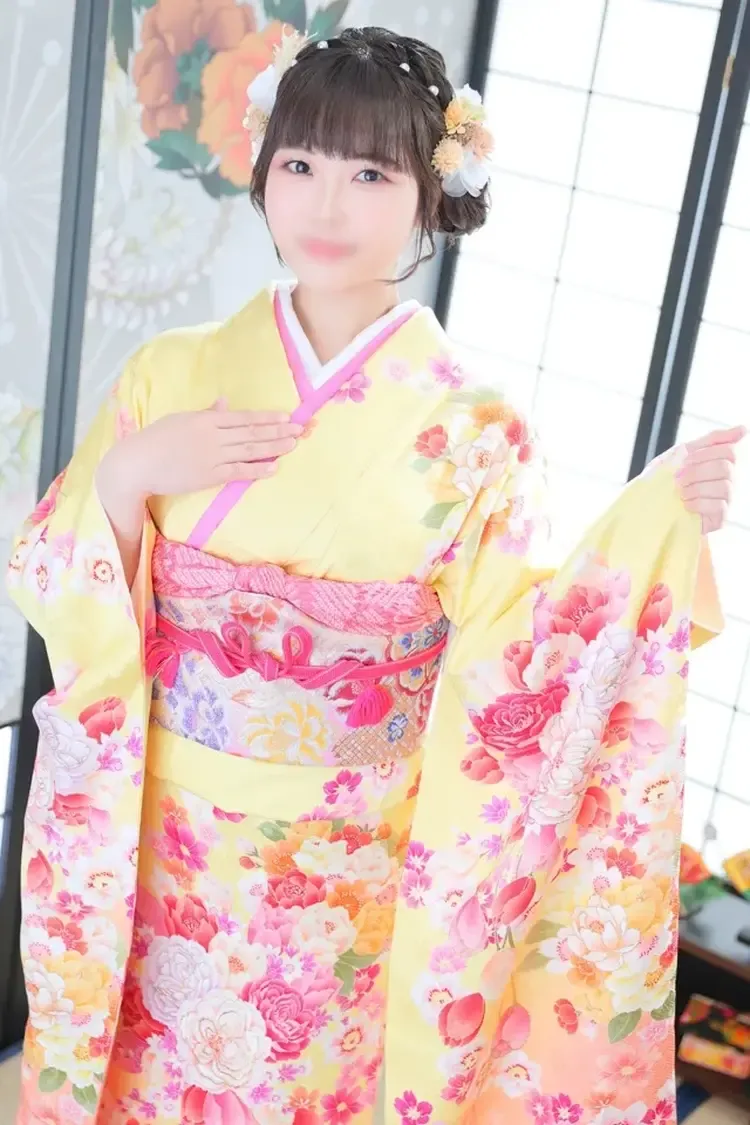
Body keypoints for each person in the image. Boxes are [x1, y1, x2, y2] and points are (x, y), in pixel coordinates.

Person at [6, 25, 743, 1125]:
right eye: (301, 163)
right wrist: (124, 479)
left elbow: (522, 666)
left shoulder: (481, 431)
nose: (327, 204)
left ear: (432, 194)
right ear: (264, 168)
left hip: (343, 876)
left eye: (370, 174)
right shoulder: (173, 372)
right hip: (161, 838)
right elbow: (58, 584)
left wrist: (653, 526)